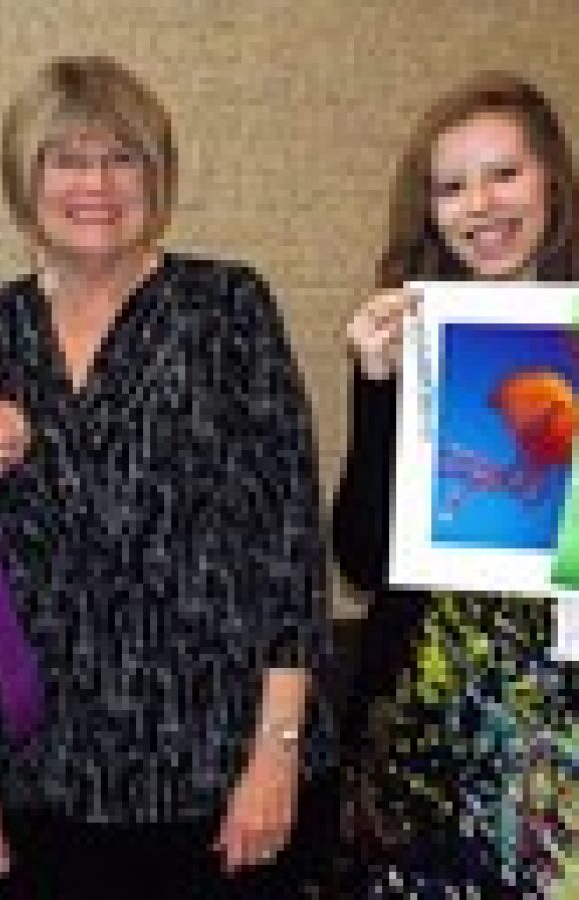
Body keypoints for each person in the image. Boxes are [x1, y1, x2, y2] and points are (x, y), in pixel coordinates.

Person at [0, 55, 335, 899]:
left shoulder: (227, 307)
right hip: (38, 783)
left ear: (157, 178)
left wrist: (277, 756)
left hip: (216, 776)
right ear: (25, 176)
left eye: (123, 158)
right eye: (67, 158)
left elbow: (291, 545)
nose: (97, 183)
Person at [333, 71, 578, 895]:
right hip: (427, 717)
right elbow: (364, 560)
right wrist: (374, 387)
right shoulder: (409, 343)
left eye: (504, 173)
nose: (481, 204)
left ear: (552, 180)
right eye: (451, 186)